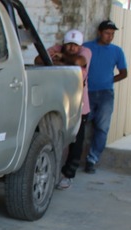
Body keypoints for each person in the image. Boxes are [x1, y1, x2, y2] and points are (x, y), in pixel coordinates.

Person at [35, 29, 91, 189]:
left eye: (75, 45)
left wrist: (62, 60)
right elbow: (39, 59)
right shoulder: (55, 49)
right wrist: (62, 60)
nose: (72, 48)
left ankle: (69, 174)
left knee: (76, 141)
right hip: (57, 103)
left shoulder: (85, 51)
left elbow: (79, 62)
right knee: (51, 137)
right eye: (69, 45)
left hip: (80, 104)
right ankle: (49, 172)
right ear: (64, 44)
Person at [82, 20, 127, 174]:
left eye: (112, 34)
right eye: (107, 33)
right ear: (100, 32)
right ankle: (72, 160)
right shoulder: (87, 47)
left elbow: (124, 73)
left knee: (102, 128)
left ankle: (92, 159)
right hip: (86, 93)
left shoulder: (117, 51)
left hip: (106, 94)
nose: (110, 37)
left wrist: (109, 80)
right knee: (79, 125)